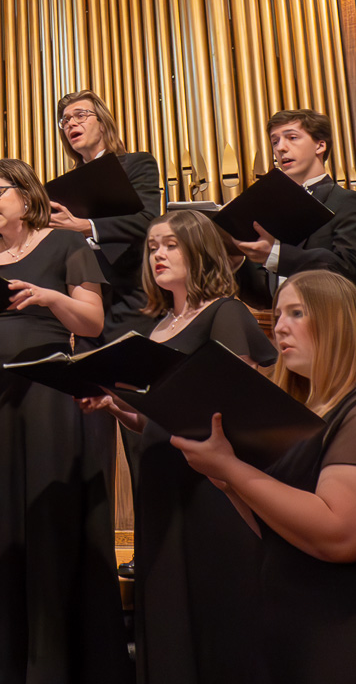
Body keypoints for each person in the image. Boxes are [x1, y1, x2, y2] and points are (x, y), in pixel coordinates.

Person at [173, 270, 356, 684]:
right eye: (278, 314)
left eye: (296, 313)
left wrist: (232, 470)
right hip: (311, 632)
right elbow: (278, 530)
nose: (279, 327)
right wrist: (229, 484)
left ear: (337, 321)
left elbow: (340, 535)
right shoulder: (308, 413)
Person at [0, 158, 131, 684]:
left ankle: (54, 660)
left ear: (25, 193)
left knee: (46, 517)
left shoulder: (66, 247)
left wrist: (49, 296)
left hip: (48, 397)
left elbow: (92, 320)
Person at [80, 209, 274, 684]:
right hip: (162, 474)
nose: (159, 255)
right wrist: (120, 408)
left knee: (217, 600)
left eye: (170, 245)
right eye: (152, 248)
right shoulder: (158, 325)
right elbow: (154, 417)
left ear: (199, 251)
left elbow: (239, 398)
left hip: (208, 481)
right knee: (168, 596)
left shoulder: (225, 311)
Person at [46, 91, 162, 341]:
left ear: (102, 122)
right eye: (65, 121)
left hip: (131, 295)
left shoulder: (137, 164)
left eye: (80, 115)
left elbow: (148, 221)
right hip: (84, 299)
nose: (71, 124)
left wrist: (84, 226)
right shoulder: (65, 186)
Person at [234, 110, 356, 305]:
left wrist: (276, 255)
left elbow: (352, 270)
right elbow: (264, 297)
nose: (281, 148)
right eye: (275, 142)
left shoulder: (348, 201)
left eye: (292, 137)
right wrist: (236, 261)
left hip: (333, 321)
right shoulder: (272, 208)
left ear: (320, 145)